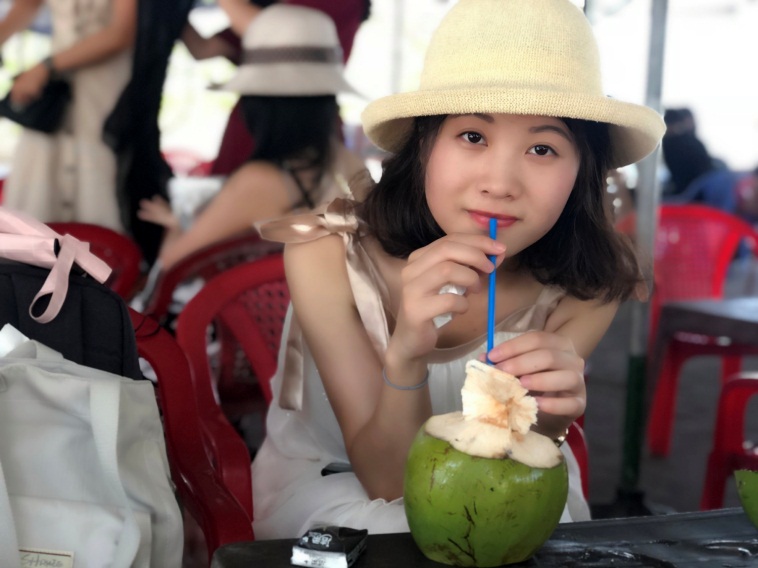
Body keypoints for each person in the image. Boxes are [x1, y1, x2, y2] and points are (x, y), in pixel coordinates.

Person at [250, 0, 665, 539]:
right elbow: (391, 485)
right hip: (339, 487)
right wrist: (406, 353)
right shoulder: (327, 253)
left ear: (584, 170)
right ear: (424, 144)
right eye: (473, 137)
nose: (500, 183)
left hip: (505, 488)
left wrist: (549, 425)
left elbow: (499, 475)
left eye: (543, 148)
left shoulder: (586, 288)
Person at [137, 4, 367, 271]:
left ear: (255, 105)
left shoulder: (262, 179)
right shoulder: (346, 162)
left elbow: (169, 266)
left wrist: (176, 226)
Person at [0, 0, 136, 232]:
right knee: (39, 189)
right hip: (56, 85)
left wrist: (45, 68)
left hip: (105, 86)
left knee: (99, 181)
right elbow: (27, 5)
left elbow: (121, 33)